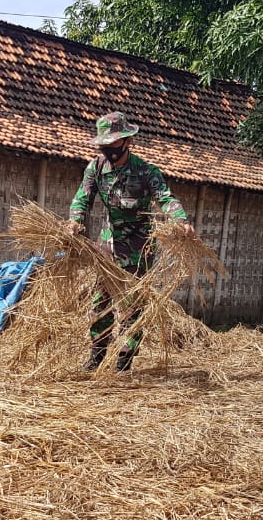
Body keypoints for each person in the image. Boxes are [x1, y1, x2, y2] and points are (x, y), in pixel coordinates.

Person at [68, 111, 195, 371]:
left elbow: (165, 198)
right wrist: (75, 221)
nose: (107, 150)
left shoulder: (146, 172)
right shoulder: (96, 168)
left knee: (133, 307)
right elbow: (83, 198)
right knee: (99, 303)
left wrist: (180, 220)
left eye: (112, 144)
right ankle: (96, 357)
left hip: (139, 249)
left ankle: (124, 363)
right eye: (103, 145)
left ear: (127, 141)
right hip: (108, 246)